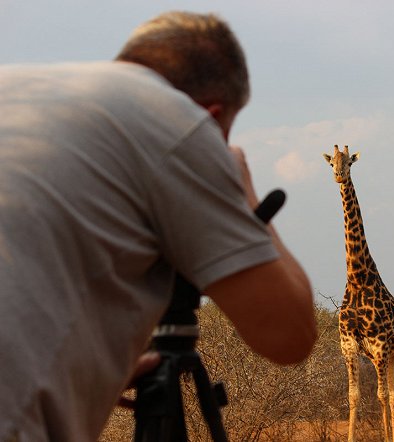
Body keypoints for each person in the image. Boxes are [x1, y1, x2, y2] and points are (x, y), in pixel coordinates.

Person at [0, 10, 317, 442]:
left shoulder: (17, 87)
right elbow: (290, 336)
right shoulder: (177, 122)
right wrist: (243, 194)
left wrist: (87, 366)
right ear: (212, 114)